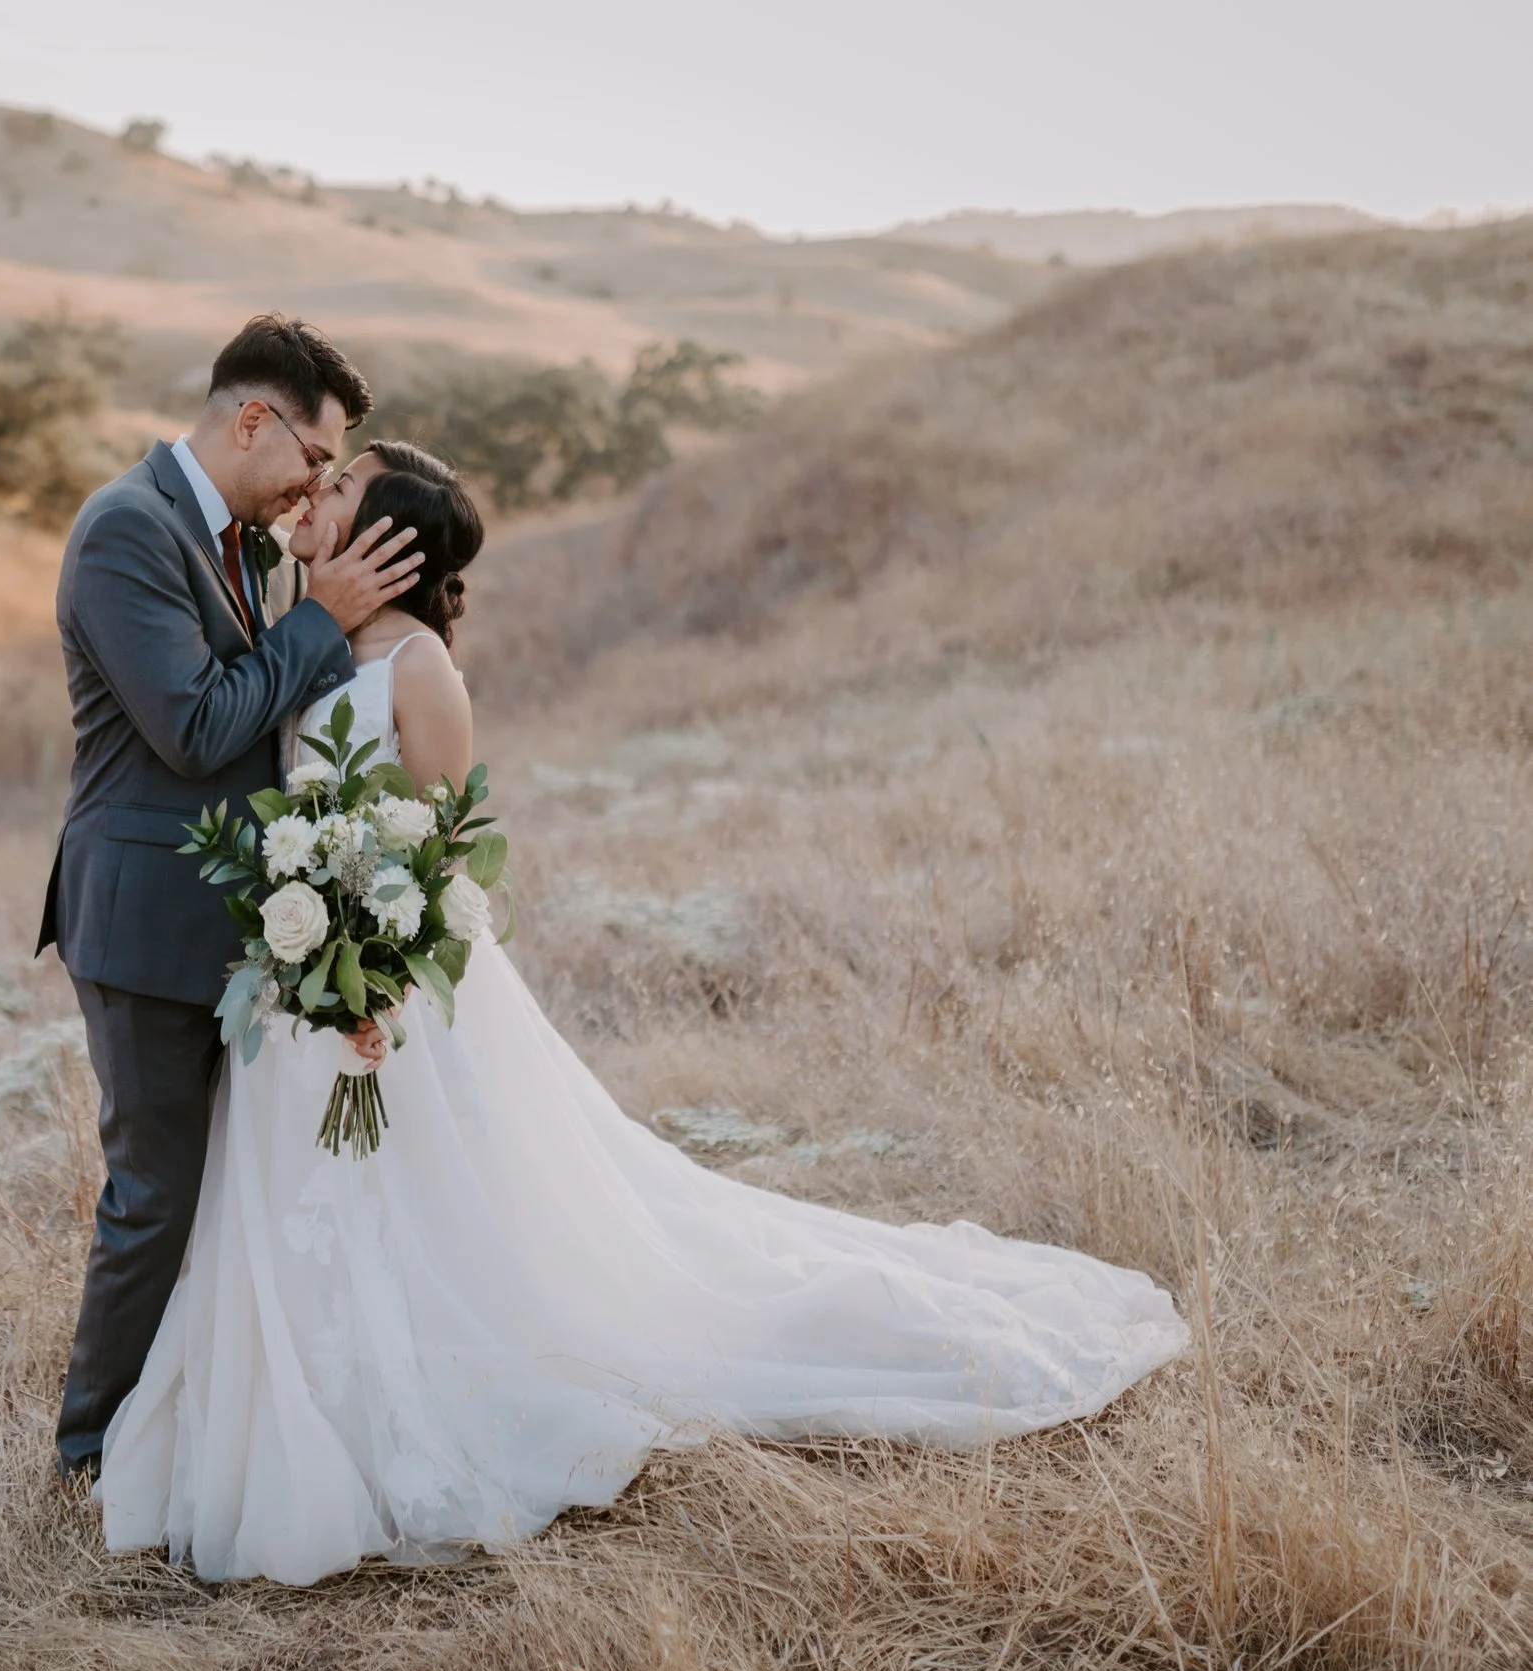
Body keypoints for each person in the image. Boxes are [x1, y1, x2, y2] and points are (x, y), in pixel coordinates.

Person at [94, 441, 1192, 1585]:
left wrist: (370, 981)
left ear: (388, 543)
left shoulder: (420, 671)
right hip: (296, 1000)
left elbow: (440, 854)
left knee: (450, 1220)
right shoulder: (300, 636)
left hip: (389, 1000)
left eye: (340, 491)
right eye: (318, 484)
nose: (312, 499)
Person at [36, 314, 426, 1481]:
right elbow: (198, 727)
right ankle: (89, 1455)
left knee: (228, 1193)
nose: (313, 486)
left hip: (238, 921)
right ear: (252, 419)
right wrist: (324, 619)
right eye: (313, 458)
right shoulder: (125, 530)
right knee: (154, 1195)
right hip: (143, 916)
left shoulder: (245, 546)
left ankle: (194, 1424)